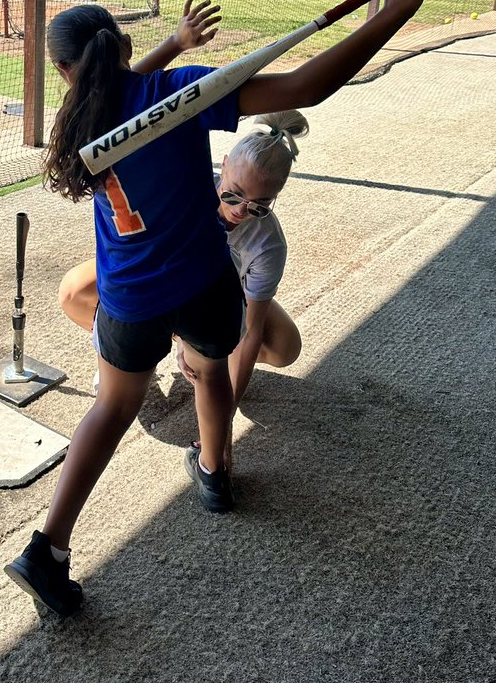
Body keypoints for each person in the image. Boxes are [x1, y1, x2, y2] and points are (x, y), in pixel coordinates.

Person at [4, 0, 440, 618]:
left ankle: (49, 548)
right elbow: (303, 89)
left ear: (66, 72)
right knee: (209, 375)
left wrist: (172, 45)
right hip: (204, 283)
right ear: (122, 46)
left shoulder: (76, 124)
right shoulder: (177, 96)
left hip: (129, 297)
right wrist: (395, 13)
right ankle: (214, 474)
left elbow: (115, 86)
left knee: (112, 409)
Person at [60, 109, 309, 471]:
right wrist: (181, 338)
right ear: (223, 166)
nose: (241, 212)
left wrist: (224, 423)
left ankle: (211, 331)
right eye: (234, 196)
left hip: (222, 293)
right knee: (73, 292)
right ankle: (133, 359)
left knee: (286, 347)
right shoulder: (188, 190)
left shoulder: (269, 243)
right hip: (163, 277)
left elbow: (252, 331)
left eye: (259, 207)